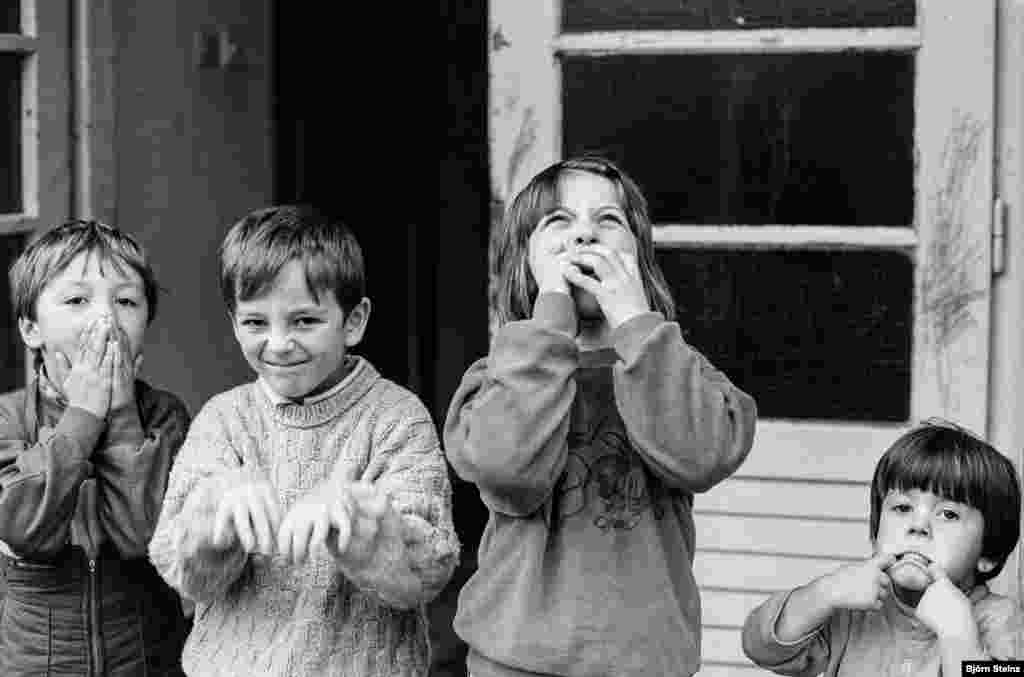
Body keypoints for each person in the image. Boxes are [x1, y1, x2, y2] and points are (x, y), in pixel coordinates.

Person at [443, 155, 758, 677]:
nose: (585, 234)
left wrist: (634, 320)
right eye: (559, 221)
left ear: (641, 261)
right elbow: (508, 473)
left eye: (608, 220)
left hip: (645, 664)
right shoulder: (497, 378)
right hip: (515, 662)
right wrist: (550, 320)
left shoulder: (680, 370)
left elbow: (701, 457)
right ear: (527, 263)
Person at [149, 205, 459, 677]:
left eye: (304, 321)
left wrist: (356, 517)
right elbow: (184, 575)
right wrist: (216, 509)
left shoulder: (397, 418)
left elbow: (427, 572)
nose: (278, 343)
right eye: (255, 323)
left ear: (354, 321)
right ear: (233, 321)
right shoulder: (223, 420)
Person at [0, 219, 191, 676]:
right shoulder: (8, 417)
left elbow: (143, 535)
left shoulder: (164, 416)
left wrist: (121, 413)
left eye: (125, 301)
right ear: (31, 329)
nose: (105, 319)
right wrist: (83, 415)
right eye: (77, 300)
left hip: (147, 659)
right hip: (39, 663)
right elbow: (25, 528)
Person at [743, 419, 1024, 675]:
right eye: (902, 508)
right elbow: (762, 649)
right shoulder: (853, 611)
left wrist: (958, 636)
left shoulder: (1002, 622)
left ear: (989, 551)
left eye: (948, 514)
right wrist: (824, 593)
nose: (918, 525)